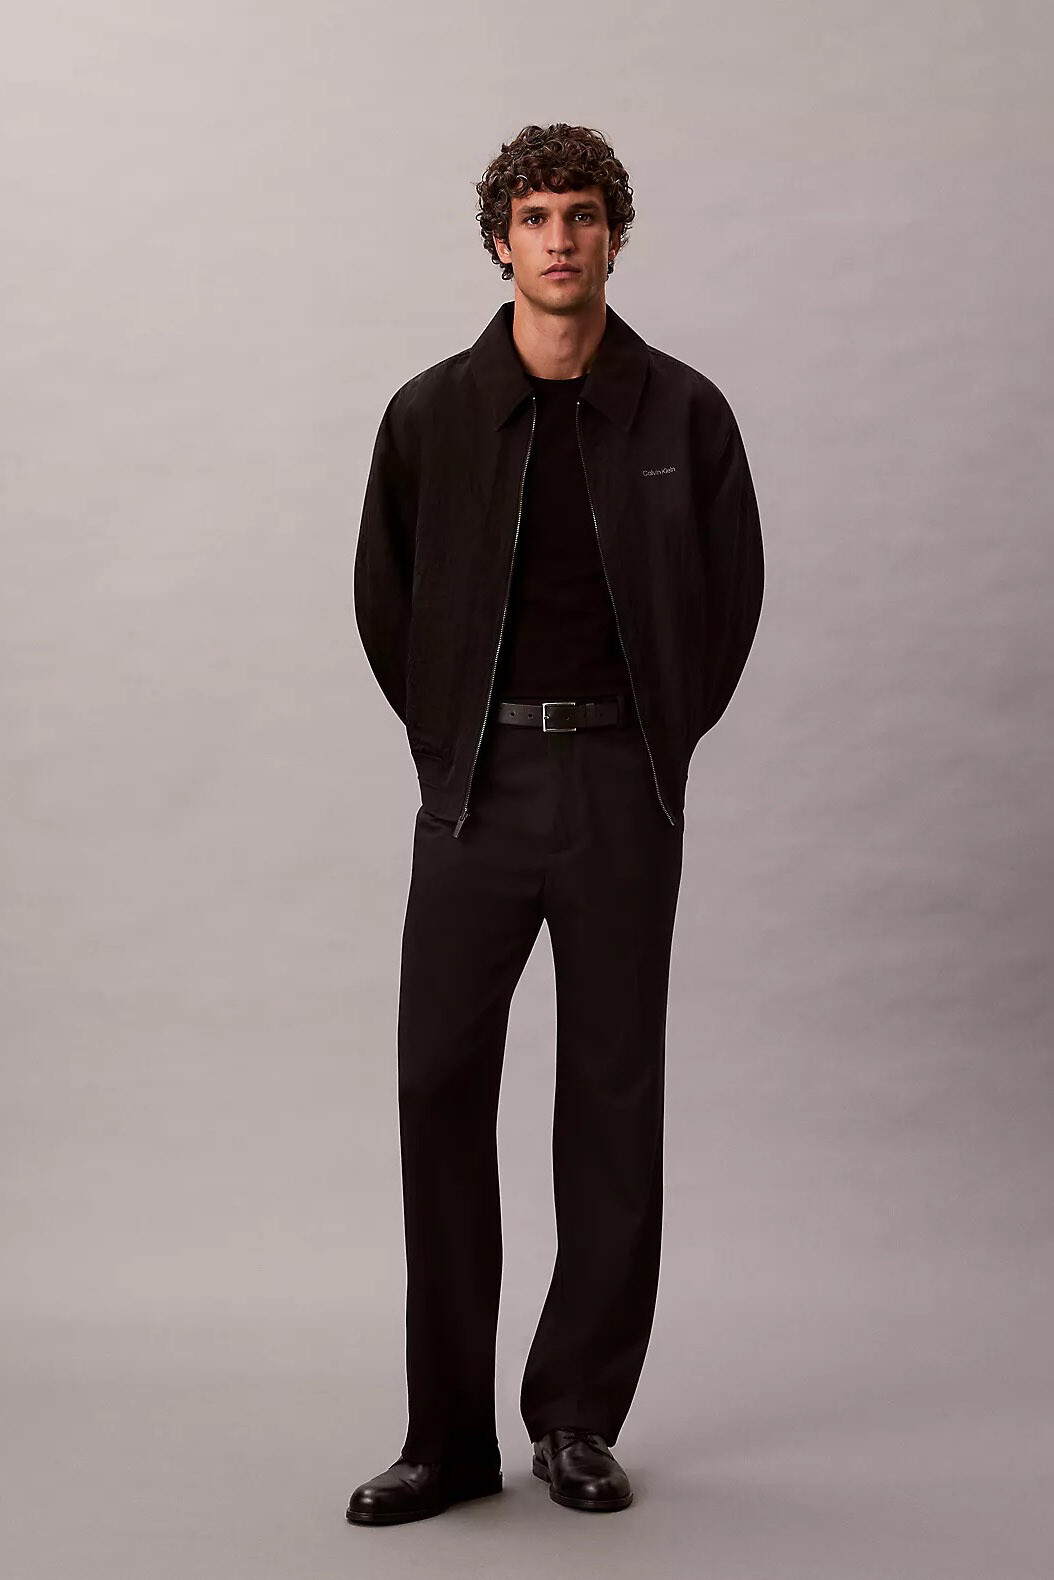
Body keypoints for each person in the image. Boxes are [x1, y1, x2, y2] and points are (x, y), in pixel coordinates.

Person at [346, 122, 765, 1525]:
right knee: (435, 1089)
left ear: (614, 236)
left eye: (582, 215)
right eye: (534, 218)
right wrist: (449, 742)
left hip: (620, 792)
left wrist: (655, 747)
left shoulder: (683, 413)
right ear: (499, 243)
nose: (560, 239)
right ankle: (445, 1439)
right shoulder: (430, 415)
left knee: (610, 1098)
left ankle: (576, 1417)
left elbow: (731, 598)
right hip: (474, 792)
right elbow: (385, 597)